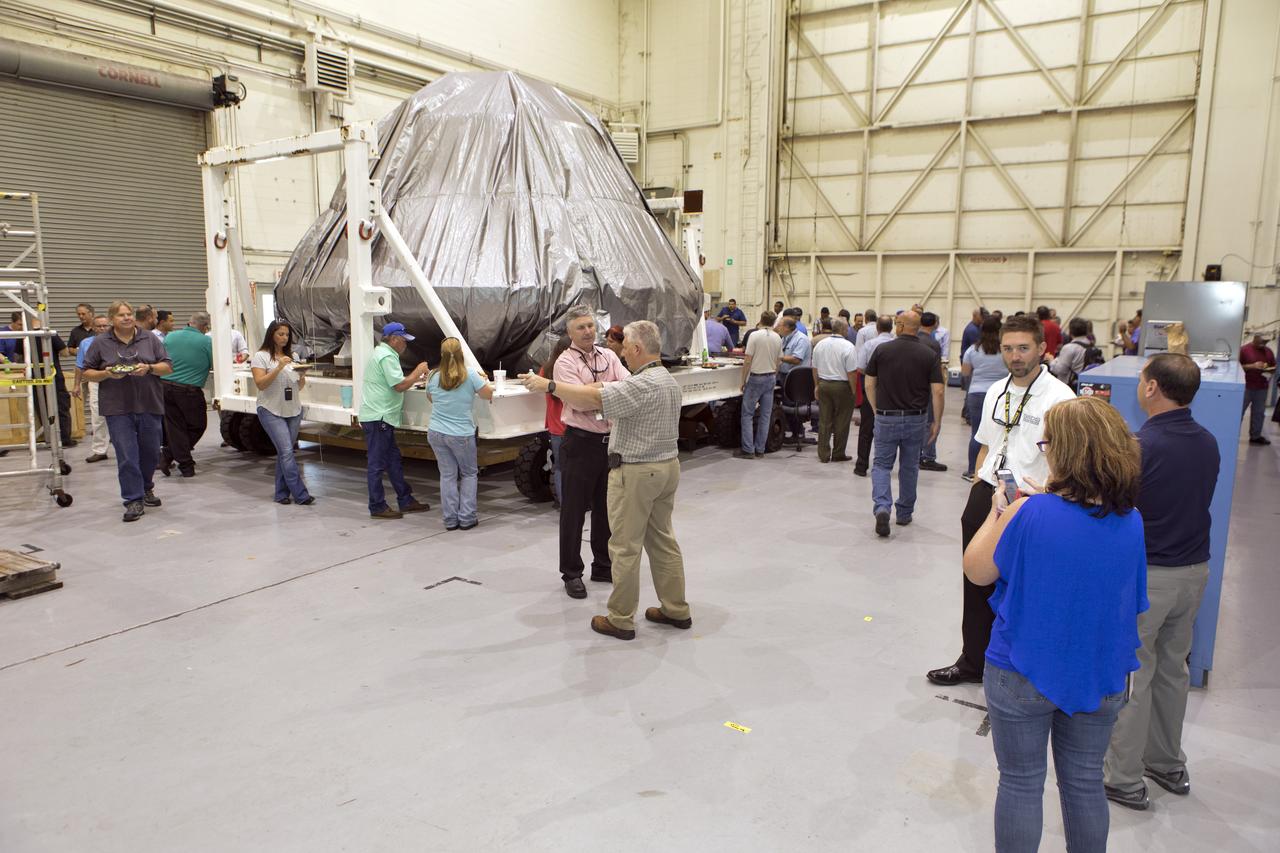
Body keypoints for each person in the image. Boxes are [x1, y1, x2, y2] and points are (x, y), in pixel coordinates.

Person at [964, 395, 1147, 853]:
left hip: (1023, 669)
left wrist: (998, 512)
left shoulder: (1030, 512)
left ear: (1064, 452)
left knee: (1022, 782)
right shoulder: (1132, 519)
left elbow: (977, 570)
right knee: (1084, 783)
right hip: (1100, 670)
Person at [927, 314, 1077, 686]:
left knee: (1023, 588)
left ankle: (1021, 669)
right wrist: (980, 484)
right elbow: (987, 444)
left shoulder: (1061, 399)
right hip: (988, 494)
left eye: (1023, 348)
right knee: (976, 583)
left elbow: (1070, 462)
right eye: (1009, 348)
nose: (1015, 356)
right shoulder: (996, 390)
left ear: (1042, 349)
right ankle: (973, 661)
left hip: (1032, 503)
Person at [520, 321, 690, 641]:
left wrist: (549, 386)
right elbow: (599, 391)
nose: (621, 350)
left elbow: (591, 399)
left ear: (638, 350)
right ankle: (675, 608)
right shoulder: (667, 380)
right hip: (667, 467)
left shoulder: (638, 385)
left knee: (624, 547)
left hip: (639, 471)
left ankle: (621, 618)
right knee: (663, 541)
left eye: (625, 345)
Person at [1104, 353, 1221, 810]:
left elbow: (1115, 511)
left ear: (1152, 388)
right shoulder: (1208, 441)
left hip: (1149, 577)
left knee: (1135, 674)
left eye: (1141, 380)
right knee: (1174, 670)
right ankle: (1167, 762)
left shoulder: (1140, 446)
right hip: (1194, 573)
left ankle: (1124, 778)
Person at [554, 306, 630, 598]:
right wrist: (605, 391)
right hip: (580, 443)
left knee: (606, 510)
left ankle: (603, 564)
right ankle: (571, 573)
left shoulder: (609, 355)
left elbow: (626, 387)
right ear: (570, 333)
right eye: (580, 327)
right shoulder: (565, 362)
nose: (587, 331)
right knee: (573, 513)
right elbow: (582, 404)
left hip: (609, 443)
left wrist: (595, 390)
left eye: (589, 325)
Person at [82, 301, 174, 522]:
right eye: (121, 315)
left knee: (151, 452)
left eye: (129, 314)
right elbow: (87, 372)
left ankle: (146, 487)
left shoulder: (149, 338)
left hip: (149, 404)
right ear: (112, 318)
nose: (126, 318)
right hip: (117, 407)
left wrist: (149, 368)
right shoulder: (100, 342)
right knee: (126, 455)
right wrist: (106, 374)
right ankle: (133, 499)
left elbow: (168, 366)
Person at [864, 311, 944, 536]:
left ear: (898, 326)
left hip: (886, 416)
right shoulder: (929, 353)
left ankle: (882, 507)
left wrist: (875, 409)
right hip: (916, 418)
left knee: (881, 465)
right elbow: (937, 390)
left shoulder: (882, 350)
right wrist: (937, 422)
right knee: (909, 466)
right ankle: (905, 513)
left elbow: (869, 384)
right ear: (917, 328)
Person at [358, 321, 432, 519]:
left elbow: (394, 382)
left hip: (381, 417)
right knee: (377, 463)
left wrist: (415, 379)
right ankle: (377, 506)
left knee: (393, 461)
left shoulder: (382, 354)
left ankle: (405, 499)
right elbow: (398, 386)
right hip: (378, 417)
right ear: (394, 339)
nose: (405, 345)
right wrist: (417, 372)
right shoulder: (386, 356)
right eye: (403, 341)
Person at [425, 338, 495, 531]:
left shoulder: (432, 376)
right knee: (469, 474)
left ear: (441, 355)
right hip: (461, 434)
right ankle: (467, 517)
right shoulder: (471, 375)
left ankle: (450, 520)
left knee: (447, 475)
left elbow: (431, 399)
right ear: (462, 354)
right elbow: (488, 395)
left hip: (436, 432)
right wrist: (484, 380)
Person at [251, 320, 315, 506]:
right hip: (271, 410)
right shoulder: (261, 357)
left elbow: (298, 386)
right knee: (287, 451)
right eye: (280, 334)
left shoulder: (292, 356)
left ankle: (281, 494)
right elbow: (261, 383)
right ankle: (301, 494)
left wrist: (302, 376)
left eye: (287, 335)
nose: (284, 338)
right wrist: (278, 367)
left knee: (284, 453)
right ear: (271, 335)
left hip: (293, 410)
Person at [159, 312, 213, 478]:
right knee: (198, 425)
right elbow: (214, 363)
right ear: (204, 327)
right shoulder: (207, 341)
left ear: (190, 323)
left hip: (164, 387)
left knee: (176, 427)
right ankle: (174, 457)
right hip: (188, 390)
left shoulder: (170, 337)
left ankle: (181, 462)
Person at [960, 316, 1006, 481]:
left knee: (977, 433)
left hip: (977, 393)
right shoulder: (1004, 350)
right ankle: (996, 470)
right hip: (1000, 394)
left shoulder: (973, 350)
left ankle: (973, 470)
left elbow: (965, 372)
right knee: (1000, 433)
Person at [812, 317, 858, 463]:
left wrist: (817, 385)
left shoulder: (820, 344)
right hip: (842, 386)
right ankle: (838, 453)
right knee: (842, 421)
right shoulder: (848, 346)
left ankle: (823, 454)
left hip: (824, 384)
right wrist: (853, 390)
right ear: (844, 330)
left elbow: (815, 368)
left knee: (825, 420)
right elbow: (851, 372)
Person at [737, 310, 782, 459]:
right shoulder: (777, 337)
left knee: (747, 414)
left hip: (756, 378)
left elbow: (748, 359)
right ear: (773, 322)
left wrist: (743, 380)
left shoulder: (754, 335)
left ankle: (748, 449)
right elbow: (779, 360)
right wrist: (773, 375)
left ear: (761, 320)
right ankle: (760, 449)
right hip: (770, 378)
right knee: (765, 415)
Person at [854, 316, 894, 477]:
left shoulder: (869, 345)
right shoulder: (896, 344)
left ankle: (861, 465)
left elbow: (860, 368)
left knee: (866, 429)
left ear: (877, 328)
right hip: (892, 392)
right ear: (891, 328)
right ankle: (885, 465)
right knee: (891, 430)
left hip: (871, 390)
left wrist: (873, 375)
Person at [73, 314, 112, 463]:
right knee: (97, 416)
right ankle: (100, 450)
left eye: (105, 325)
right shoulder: (86, 343)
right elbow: (79, 365)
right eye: (99, 326)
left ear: (110, 326)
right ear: (93, 327)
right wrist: (76, 385)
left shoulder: (117, 340)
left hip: (118, 381)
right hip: (95, 381)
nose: (102, 328)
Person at [541, 334, 572, 507]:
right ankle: (577, 503)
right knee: (575, 468)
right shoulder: (568, 370)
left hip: (554, 427)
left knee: (559, 467)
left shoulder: (545, 369)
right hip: (571, 426)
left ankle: (564, 504)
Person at [777, 316, 815, 444]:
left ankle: (798, 433)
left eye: (780, 325)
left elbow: (796, 359)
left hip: (796, 379)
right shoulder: (785, 338)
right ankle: (795, 432)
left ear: (787, 327)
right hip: (784, 375)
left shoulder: (801, 340)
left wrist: (779, 357)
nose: (778, 328)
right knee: (785, 405)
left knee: (792, 407)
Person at [1239, 333, 1275, 445]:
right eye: (1261, 342)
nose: (1263, 344)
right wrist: (1252, 366)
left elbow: (1273, 366)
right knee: (1238, 412)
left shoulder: (1268, 351)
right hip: (1246, 387)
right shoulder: (1244, 350)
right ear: (1255, 338)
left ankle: (1255, 436)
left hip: (1262, 387)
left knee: (1259, 413)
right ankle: (1233, 434)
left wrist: (1269, 370)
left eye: (1265, 343)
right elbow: (1237, 367)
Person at [1051, 317, 1097, 389]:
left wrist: (1051, 361)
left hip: (1069, 386)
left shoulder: (1069, 347)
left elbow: (1060, 370)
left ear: (1070, 332)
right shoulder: (1091, 345)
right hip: (1086, 385)